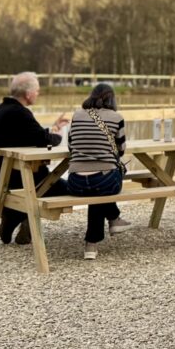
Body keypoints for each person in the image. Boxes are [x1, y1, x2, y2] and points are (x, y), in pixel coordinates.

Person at [0, 71, 70, 246]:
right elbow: (44, 140)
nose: (38, 94)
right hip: (17, 177)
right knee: (70, 188)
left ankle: (17, 218)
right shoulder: (20, 113)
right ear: (28, 94)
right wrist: (58, 134)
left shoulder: (0, 110)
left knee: (44, 185)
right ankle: (15, 214)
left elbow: (30, 136)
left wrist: (52, 128)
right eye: (37, 91)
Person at [67, 82, 131, 260]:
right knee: (100, 188)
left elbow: (71, 146)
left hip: (76, 182)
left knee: (96, 191)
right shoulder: (116, 117)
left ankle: (92, 245)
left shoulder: (77, 115)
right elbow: (121, 150)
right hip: (104, 181)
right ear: (112, 98)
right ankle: (113, 219)